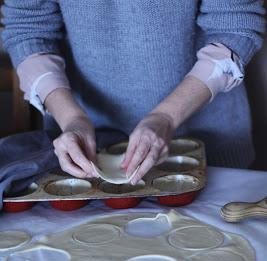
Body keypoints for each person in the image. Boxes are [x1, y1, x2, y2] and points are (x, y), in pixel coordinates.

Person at [1, 1, 265, 184]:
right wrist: (71, 119)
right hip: (84, 155)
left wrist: (166, 117)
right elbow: (28, 30)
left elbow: (235, 28)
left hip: (208, 147)